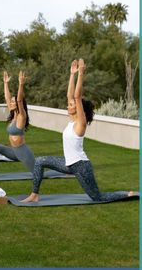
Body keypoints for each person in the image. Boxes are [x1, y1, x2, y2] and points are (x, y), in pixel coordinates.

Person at [22, 59, 135, 202]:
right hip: (68, 164)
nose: (68, 105)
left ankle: (126, 194)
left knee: (98, 197)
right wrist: (72, 74)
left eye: (71, 105)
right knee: (39, 161)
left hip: (81, 166)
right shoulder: (71, 122)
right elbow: (71, 96)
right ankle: (34, 194)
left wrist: (81, 74)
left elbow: (76, 96)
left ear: (78, 108)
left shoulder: (80, 124)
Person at [0, 70, 35, 180]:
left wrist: (21, 84)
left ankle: (67, 170)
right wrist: (5, 83)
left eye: (14, 102)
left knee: (39, 173)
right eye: (12, 102)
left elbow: (19, 100)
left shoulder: (21, 116)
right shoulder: (13, 113)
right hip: (13, 151)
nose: (12, 103)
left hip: (23, 152)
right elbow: (7, 98)